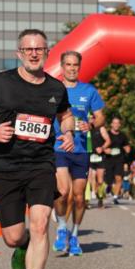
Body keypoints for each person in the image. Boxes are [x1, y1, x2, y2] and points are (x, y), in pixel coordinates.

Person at [0, 29, 74, 269]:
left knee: (40, 223)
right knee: (13, 237)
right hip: (6, 165)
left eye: (39, 49)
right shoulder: (1, 82)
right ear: (19, 53)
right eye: (28, 49)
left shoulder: (56, 88)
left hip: (41, 164)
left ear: (47, 53)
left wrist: (68, 132)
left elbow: (66, 115)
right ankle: (24, 244)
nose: (33, 53)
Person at [51, 51, 105, 256]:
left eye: (75, 65)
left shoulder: (88, 91)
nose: (72, 68)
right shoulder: (54, 89)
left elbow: (100, 117)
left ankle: (74, 234)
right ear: (62, 67)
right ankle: (61, 227)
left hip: (81, 149)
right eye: (68, 64)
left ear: (79, 67)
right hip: (59, 147)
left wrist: (91, 124)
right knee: (63, 192)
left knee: (79, 197)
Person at [103, 115, 131, 203]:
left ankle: (115, 197)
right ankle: (108, 189)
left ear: (119, 125)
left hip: (119, 159)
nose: (116, 125)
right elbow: (101, 145)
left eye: (117, 123)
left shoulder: (123, 136)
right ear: (111, 124)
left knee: (119, 178)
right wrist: (105, 150)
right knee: (109, 180)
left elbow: (126, 146)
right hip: (108, 159)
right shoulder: (107, 134)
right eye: (114, 123)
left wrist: (128, 149)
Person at [88, 119, 111, 208]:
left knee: (100, 181)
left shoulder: (101, 129)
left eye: (92, 118)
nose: (90, 120)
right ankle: (87, 200)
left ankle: (100, 198)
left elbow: (108, 140)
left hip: (99, 157)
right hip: (89, 156)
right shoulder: (84, 128)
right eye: (89, 117)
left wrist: (102, 148)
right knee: (89, 179)